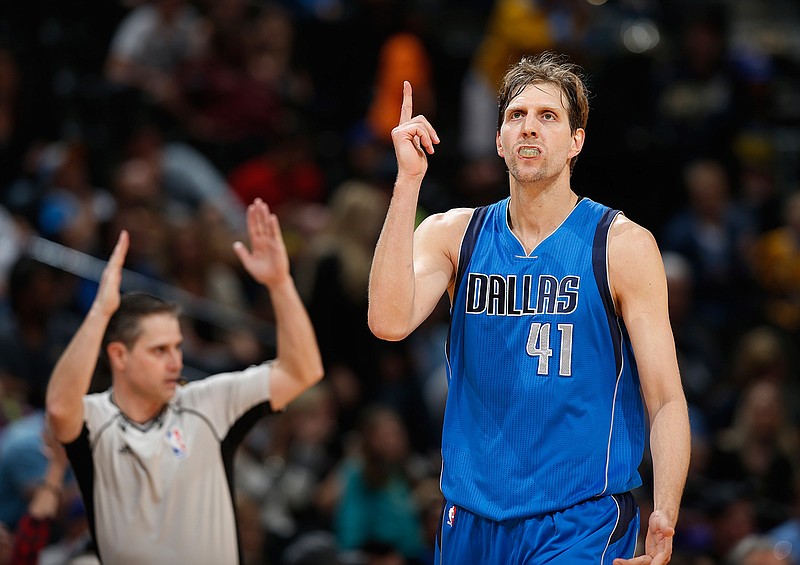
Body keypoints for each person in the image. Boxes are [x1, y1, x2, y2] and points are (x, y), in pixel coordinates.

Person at [367, 52, 691, 563]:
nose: (529, 129)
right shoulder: (455, 234)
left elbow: (666, 397)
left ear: (576, 140)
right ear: (498, 140)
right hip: (471, 516)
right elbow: (387, 322)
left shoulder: (621, 245)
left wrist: (665, 511)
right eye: (516, 116)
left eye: (548, 117)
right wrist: (407, 183)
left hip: (579, 519)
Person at [45, 198, 324, 564]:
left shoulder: (209, 402)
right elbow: (59, 408)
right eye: (159, 350)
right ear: (119, 356)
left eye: (177, 347)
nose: (175, 361)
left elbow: (302, 371)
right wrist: (101, 312)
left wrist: (279, 283)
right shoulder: (94, 419)